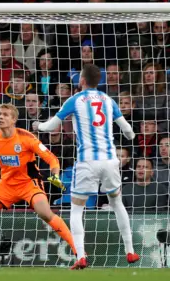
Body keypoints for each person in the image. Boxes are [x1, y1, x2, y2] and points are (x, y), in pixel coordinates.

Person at [33, 64, 139, 270]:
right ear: (98, 81)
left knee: (76, 208)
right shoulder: (109, 100)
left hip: (87, 161)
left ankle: (81, 256)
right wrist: (131, 137)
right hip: (110, 161)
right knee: (117, 204)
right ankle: (130, 251)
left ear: (81, 80)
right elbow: (127, 130)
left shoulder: (75, 100)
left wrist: (38, 126)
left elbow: (51, 125)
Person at [0, 103, 77, 267]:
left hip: (29, 183)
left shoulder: (26, 137)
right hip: (6, 185)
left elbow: (52, 158)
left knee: (45, 213)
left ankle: (78, 251)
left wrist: (54, 175)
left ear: (14, 119)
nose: (0, 117)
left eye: (5, 115)